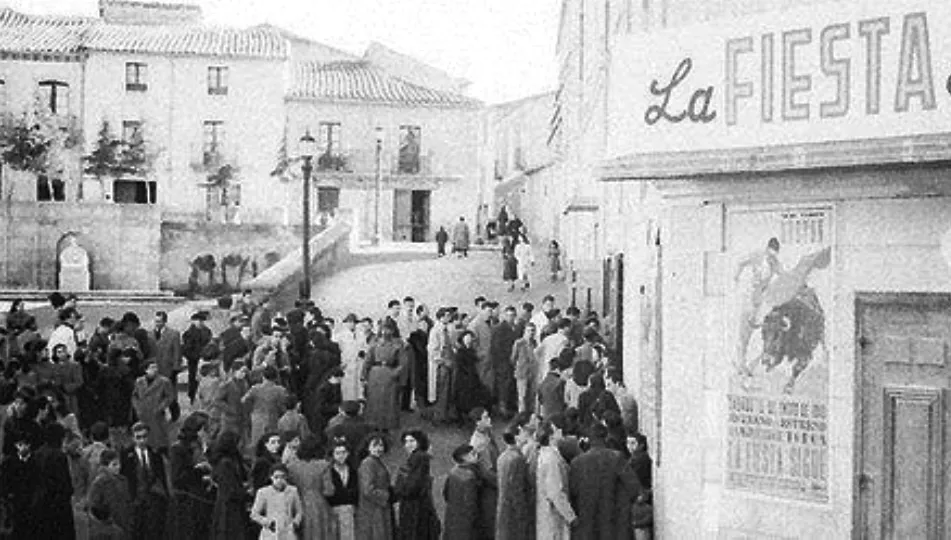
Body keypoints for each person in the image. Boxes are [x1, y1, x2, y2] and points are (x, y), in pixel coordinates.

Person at [568, 422, 638, 540]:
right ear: (606, 437)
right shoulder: (616, 457)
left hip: (587, 517)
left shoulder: (577, 463)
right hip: (612, 517)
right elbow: (633, 486)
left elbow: (573, 491)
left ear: (589, 439)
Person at [169, 413, 214, 539]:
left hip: (203, 496)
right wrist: (199, 471)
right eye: (204, 430)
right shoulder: (178, 449)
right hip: (188, 501)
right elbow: (177, 478)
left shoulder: (201, 446)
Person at [120, 422, 168, 540]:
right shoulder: (126, 455)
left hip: (152, 501)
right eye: (138, 437)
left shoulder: (155, 455)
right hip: (135, 500)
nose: (142, 441)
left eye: (144, 437)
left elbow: (162, 477)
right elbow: (123, 477)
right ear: (133, 438)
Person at [394, 430, 440, 540]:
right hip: (417, 503)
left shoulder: (419, 457)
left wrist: (400, 490)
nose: (408, 444)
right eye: (406, 442)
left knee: (415, 532)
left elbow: (413, 484)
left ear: (419, 442)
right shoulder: (418, 457)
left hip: (415, 505)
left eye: (412, 441)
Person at [286, 434, 334, 540]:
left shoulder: (291, 466)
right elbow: (329, 491)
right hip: (319, 504)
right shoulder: (324, 465)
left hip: (298, 503)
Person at [535, 420, 575, 540]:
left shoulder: (545, 454)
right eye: (557, 429)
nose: (560, 431)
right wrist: (571, 516)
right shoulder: (552, 459)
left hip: (547, 515)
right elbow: (555, 492)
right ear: (551, 436)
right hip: (553, 517)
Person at [211, 431, 249, 540]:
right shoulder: (225, 464)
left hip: (233, 506)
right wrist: (245, 492)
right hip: (228, 509)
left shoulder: (233, 460)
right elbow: (229, 490)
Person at [132, 359, 176, 455]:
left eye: (156, 367)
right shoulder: (139, 381)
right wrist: (138, 408)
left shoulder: (164, 381)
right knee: (146, 435)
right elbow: (134, 396)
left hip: (157, 414)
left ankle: (162, 453)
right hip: (144, 413)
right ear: (146, 370)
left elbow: (170, 396)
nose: (155, 369)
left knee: (159, 437)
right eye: (152, 367)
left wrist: (161, 406)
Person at [243, 366, 290, 456]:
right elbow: (285, 406)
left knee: (257, 445)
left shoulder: (255, 389)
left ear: (263, 376)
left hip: (257, 419)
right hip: (273, 418)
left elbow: (244, 400)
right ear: (276, 377)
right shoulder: (281, 390)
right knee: (273, 445)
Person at [364, 330, 404, 432]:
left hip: (389, 374)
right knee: (374, 401)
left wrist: (394, 373)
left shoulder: (397, 347)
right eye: (382, 336)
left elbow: (402, 363)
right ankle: (373, 425)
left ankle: (387, 426)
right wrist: (363, 376)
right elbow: (367, 361)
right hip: (375, 375)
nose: (384, 338)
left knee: (389, 402)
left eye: (386, 336)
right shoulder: (374, 346)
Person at [355, 433, 394, 540]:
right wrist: (386, 496)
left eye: (381, 445)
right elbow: (367, 490)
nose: (379, 449)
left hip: (379, 508)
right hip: (372, 510)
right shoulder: (368, 463)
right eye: (375, 445)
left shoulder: (376, 462)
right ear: (368, 447)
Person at [87, 448, 132, 538]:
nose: (118, 467)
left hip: (123, 524)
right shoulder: (100, 483)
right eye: (114, 464)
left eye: (119, 463)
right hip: (107, 528)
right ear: (105, 466)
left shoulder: (123, 480)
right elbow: (93, 507)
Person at [250, 462, 303, 539]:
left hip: (288, 531)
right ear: (271, 477)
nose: (279, 480)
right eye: (276, 477)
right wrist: (268, 523)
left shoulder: (293, 491)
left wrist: (295, 523)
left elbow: (299, 511)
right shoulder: (263, 492)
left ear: (287, 477)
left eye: (283, 477)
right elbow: (254, 514)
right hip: (271, 533)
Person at [495, 426, 530, 540]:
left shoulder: (502, 457)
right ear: (517, 437)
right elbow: (517, 489)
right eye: (523, 432)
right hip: (514, 512)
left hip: (503, 508)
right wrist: (523, 513)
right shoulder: (517, 459)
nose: (526, 434)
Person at [442, 444, 483, 540]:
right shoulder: (470, 477)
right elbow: (471, 503)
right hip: (466, 524)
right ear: (465, 457)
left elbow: (445, 494)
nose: (476, 456)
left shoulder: (452, 472)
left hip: (452, 517)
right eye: (473, 454)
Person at [325, 437, 359, 540]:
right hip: (332, 509)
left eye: (344, 452)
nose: (341, 456)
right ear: (333, 455)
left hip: (349, 509)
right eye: (338, 453)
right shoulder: (328, 471)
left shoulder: (353, 470)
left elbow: (356, 490)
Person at [452, 330, 490, 421]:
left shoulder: (471, 350)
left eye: (470, 338)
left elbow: (475, 359)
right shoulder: (461, 352)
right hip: (463, 377)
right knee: (463, 396)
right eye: (466, 338)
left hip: (472, 376)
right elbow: (461, 365)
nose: (468, 340)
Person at [490, 306, 520, 418]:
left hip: (511, 362)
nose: (510, 318)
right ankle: (502, 409)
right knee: (503, 385)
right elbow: (497, 347)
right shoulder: (500, 329)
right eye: (508, 315)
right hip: (503, 362)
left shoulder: (515, 328)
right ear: (504, 315)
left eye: (512, 315)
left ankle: (507, 407)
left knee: (509, 385)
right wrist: (506, 359)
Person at [216, 363, 250, 450]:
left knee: (241, 442)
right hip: (229, 419)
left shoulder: (245, 383)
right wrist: (229, 409)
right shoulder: (227, 385)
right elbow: (218, 400)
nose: (243, 374)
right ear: (235, 371)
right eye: (241, 371)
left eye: (245, 372)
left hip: (242, 417)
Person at [183, 312, 213, 404]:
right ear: (193, 321)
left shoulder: (207, 332)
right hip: (193, 360)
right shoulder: (188, 333)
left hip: (205, 359)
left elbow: (210, 345)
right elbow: (186, 349)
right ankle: (192, 396)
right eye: (198, 321)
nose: (200, 323)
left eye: (202, 321)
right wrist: (196, 356)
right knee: (193, 379)